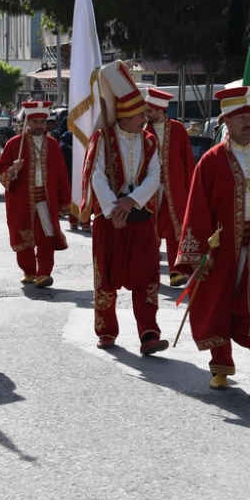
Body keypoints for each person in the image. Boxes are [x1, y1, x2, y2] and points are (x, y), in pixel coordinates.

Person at [174, 86, 250, 400]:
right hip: (221, 250)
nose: (248, 122)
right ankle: (220, 367)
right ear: (226, 122)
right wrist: (195, 255)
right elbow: (197, 209)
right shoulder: (211, 161)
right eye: (241, 117)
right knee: (217, 305)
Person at [79, 60, 167, 355]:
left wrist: (131, 202)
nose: (145, 118)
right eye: (141, 114)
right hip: (109, 220)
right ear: (126, 116)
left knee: (147, 278)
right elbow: (96, 175)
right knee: (105, 279)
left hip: (140, 218)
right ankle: (106, 332)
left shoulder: (150, 141)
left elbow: (155, 176)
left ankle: (149, 335)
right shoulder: (102, 138)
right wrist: (112, 210)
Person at [0, 100, 70, 288]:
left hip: (46, 200)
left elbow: (62, 174)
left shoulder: (53, 145)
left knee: (46, 236)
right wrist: (13, 169)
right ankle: (29, 271)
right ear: (27, 122)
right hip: (21, 200)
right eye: (35, 122)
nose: (39, 126)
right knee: (24, 236)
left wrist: (65, 201)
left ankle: (44, 273)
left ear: (47, 123)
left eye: (42, 122)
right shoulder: (14, 144)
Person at [143, 87, 195, 287]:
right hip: (150, 189)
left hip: (175, 189)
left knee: (176, 228)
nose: (147, 114)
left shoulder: (179, 129)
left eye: (150, 111)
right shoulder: (142, 130)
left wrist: (191, 189)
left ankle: (176, 270)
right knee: (150, 227)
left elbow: (187, 161)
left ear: (160, 111)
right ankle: (150, 272)